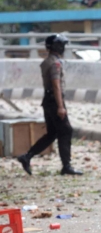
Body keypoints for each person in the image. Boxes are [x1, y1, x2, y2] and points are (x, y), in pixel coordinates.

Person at [17, 35, 83, 176]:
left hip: (48, 100)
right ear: (57, 46)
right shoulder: (55, 63)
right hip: (54, 100)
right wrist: (60, 106)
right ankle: (66, 166)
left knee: (52, 133)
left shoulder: (47, 61)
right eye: (61, 45)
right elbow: (56, 85)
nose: (63, 47)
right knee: (66, 131)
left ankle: (27, 156)